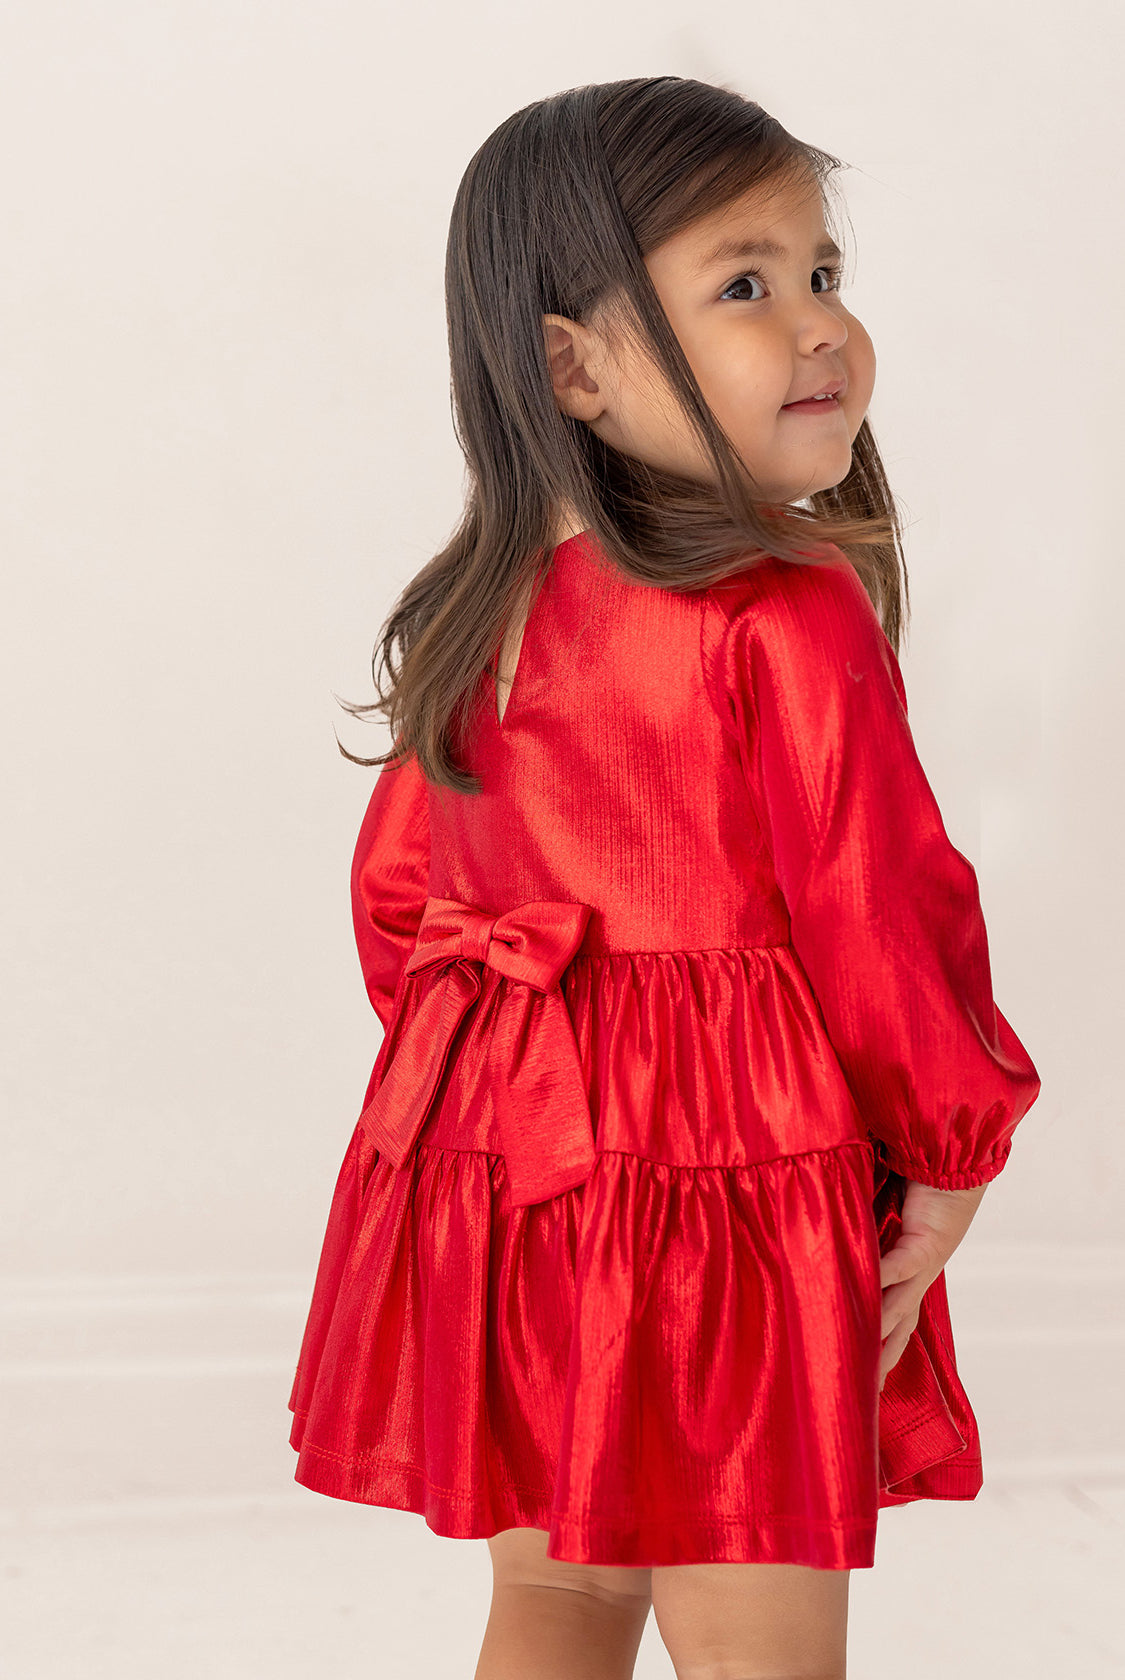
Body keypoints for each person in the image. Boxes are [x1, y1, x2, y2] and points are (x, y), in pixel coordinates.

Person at [286, 77, 1042, 1680]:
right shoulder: (783, 611)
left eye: (823, 274)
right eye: (745, 285)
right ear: (571, 363)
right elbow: (880, 907)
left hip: (514, 1183)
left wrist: (495, 1104)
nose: (818, 326)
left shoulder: (474, 615)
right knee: (754, 1636)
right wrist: (947, 1139)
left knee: (555, 1599)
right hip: (723, 1193)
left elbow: (406, 910)